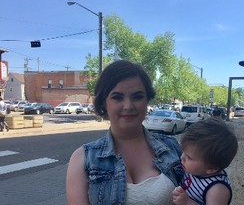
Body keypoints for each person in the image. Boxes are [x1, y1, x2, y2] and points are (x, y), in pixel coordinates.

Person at [66, 60, 184, 205]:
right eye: (117, 97)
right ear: (104, 102)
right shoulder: (83, 158)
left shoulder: (173, 148)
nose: (128, 106)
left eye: (137, 97)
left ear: (147, 100)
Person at [172, 117, 238, 205]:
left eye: (189, 157)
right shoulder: (196, 170)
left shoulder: (217, 189)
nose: (182, 157)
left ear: (211, 168)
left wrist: (188, 203)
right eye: (183, 151)